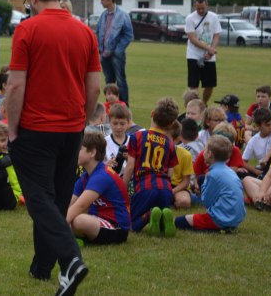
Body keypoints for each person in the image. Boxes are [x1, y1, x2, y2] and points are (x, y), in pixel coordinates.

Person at [4, 0, 100, 293]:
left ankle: (70, 260)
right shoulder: (85, 31)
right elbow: (94, 86)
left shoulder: (27, 29)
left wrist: (12, 128)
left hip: (35, 128)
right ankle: (42, 268)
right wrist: (81, 120)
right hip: (71, 129)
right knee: (56, 200)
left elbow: (15, 85)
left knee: (39, 200)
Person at [121, 97, 179, 235]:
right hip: (165, 190)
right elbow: (170, 173)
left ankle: (149, 214)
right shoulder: (170, 144)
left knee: (130, 225)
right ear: (171, 123)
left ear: (152, 113)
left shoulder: (137, 137)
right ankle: (163, 219)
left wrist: (122, 189)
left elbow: (130, 167)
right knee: (161, 209)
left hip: (144, 188)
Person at [66, 132, 130, 246]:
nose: (75, 152)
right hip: (98, 220)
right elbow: (69, 202)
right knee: (70, 216)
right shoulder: (86, 176)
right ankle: (75, 238)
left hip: (116, 227)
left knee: (79, 221)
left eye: (79, 149)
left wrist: (61, 223)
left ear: (92, 152)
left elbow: (81, 205)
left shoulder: (102, 175)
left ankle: (71, 237)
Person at [175, 135, 246, 232]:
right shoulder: (230, 172)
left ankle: (166, 223)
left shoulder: (212, 175)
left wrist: (202, 187)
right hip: (235, 219)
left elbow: (207, 201)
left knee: (182, 220)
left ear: (209, 154)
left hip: (221, 219)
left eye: (204, 150)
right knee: (201, 180)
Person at [96, 0, 133, 106]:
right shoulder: (103, 15)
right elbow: (98, 32)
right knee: (109, 82)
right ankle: (109, 107)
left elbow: (128, 35)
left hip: (117, 55)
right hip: (104, 54)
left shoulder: (123, 15)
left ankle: (124, 107)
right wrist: (100, 50)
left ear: (110, 0)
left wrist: (118, 50)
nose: (101, 2)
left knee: (120, 81)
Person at [185, 0, 221, 104]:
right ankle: (193, 106)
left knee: (210, 85)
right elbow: (192, 38)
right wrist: (208, 48)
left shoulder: (214, 17)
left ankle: (203, 104)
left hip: (209, 57)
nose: (201, 10)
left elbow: (216, 35)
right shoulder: (190, 18)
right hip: (193, 55)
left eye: (203, 8)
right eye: (198, 8)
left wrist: (211, 51)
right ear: (194, 6)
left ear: (207, 5)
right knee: (193, 85)